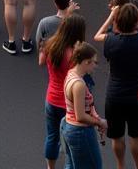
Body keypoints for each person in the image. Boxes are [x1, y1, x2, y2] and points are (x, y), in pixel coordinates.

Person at [95, 1, 138, 169]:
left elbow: (99, 33)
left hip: (115, 96)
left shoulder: (111, 41)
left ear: (118, 21)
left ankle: (121, 165)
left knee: (117, 136)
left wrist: (112, 16)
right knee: (136, 135)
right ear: (136, 21)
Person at [39, 13, 88, 169]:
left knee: (52, 137)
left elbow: (41, 61)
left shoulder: (50, 45)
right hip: (69, 104)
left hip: (51, 99)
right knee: (70, 142)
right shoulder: (76, 55)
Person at [61, 42, 106, 169]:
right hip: (80, 132)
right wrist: (100, 122)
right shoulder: (79, 84)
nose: (95, 66)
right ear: (86, 62)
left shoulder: (70, 73)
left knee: (71, 165)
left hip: (68, 126)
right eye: (94, 62)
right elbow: (80, 115)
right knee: (94, 165)